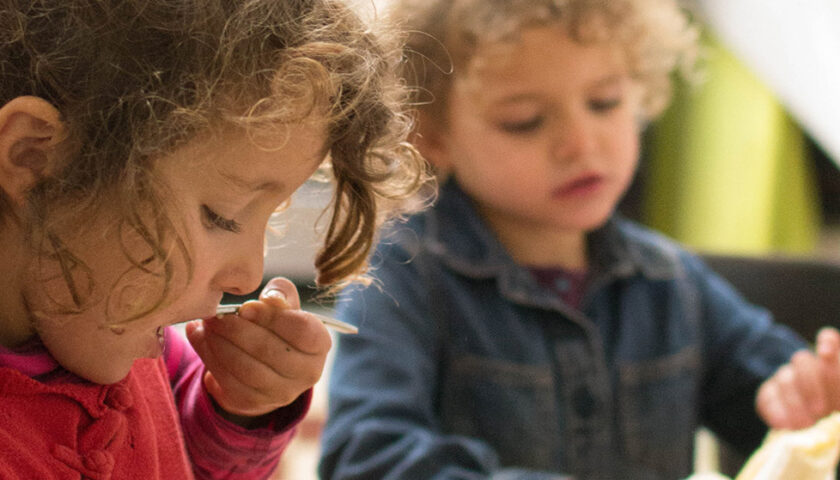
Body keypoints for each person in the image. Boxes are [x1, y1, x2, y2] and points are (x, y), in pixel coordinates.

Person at [318, 0, 840, 479]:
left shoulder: (672, 281)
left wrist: (807, 399)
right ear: (430, 135)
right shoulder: (401, 276)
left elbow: (785, 404)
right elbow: (366, 459)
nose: (580, 143)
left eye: (605, 102)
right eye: (525, 121)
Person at [0, 1, 426, 479]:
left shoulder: (131, 338)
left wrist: (240, 404)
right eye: (221, 216)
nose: (247, 274)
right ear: (35, 157)